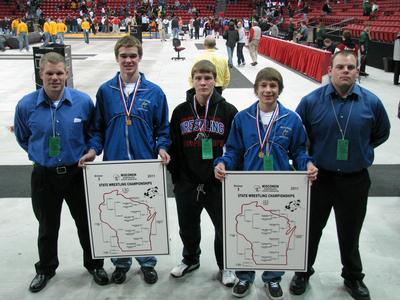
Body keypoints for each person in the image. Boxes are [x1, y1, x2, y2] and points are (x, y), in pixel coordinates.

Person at [290, 50, 390, 300]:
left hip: (355, 180)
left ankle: (353, 277)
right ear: (330, 70)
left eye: (350, 67)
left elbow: (381, 133)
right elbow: (298, 137)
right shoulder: (311, 101)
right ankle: (302, 272)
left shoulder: (372, 102)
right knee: (310, 230)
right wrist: (308, 162)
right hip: (318, 179)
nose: (345, 71)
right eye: (340, 67)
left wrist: (361, 150)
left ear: (357, 71)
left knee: (350, 232)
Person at [214, 67, 318, 299]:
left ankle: (273, 278)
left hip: (280, 189)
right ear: (256, 89)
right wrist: (223, 163)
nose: (268, 90)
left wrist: (307, 165)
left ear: (279, 89)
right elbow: (233, 151)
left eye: (273, 85)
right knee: (247, 230)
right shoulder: (243, 118)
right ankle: (244, 276)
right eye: (263, 85)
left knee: (277, 232)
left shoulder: (291, 119)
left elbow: (300, 151)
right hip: (248, 188)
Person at [13, 52, 108, 293]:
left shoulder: (83, 102)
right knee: (47, 225)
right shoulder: (25, 106)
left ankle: (95, 264)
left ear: (67, 73)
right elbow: (23, 137)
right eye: (49, 73)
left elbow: (94, 133)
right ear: (40, 75)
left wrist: (93, 150)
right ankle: (45, 268)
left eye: (59, 73)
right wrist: (41, 155)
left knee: (86, 223)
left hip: (76, 174)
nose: (55, 78)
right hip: (44, 176)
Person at [79, 35, 170, 285]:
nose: (128, 60)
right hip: (114, 165)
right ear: (117, 58)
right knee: (118, 215)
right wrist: (93, 150)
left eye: (133, 56)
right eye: (124, 56)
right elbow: (97, 128)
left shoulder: (154, 92)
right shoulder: (106, 91)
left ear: (140, 57)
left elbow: (162, 128)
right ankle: (120, 263)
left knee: (145, 215)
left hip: (145, 166)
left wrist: (162, 147)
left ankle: (147, 262)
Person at [168, 59, 238, 287]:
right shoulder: (180, 111)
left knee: (223, 227)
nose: (203, 82)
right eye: (198, 78)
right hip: (187, 182)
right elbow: (174, 146)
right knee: (187, 225)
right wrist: (177, 178)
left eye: (208, 78)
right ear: (193, 80)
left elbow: (235, 146)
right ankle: (190, 259)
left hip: (217, 182)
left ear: (215, 80)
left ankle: (225, 265)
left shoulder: (228, 111)